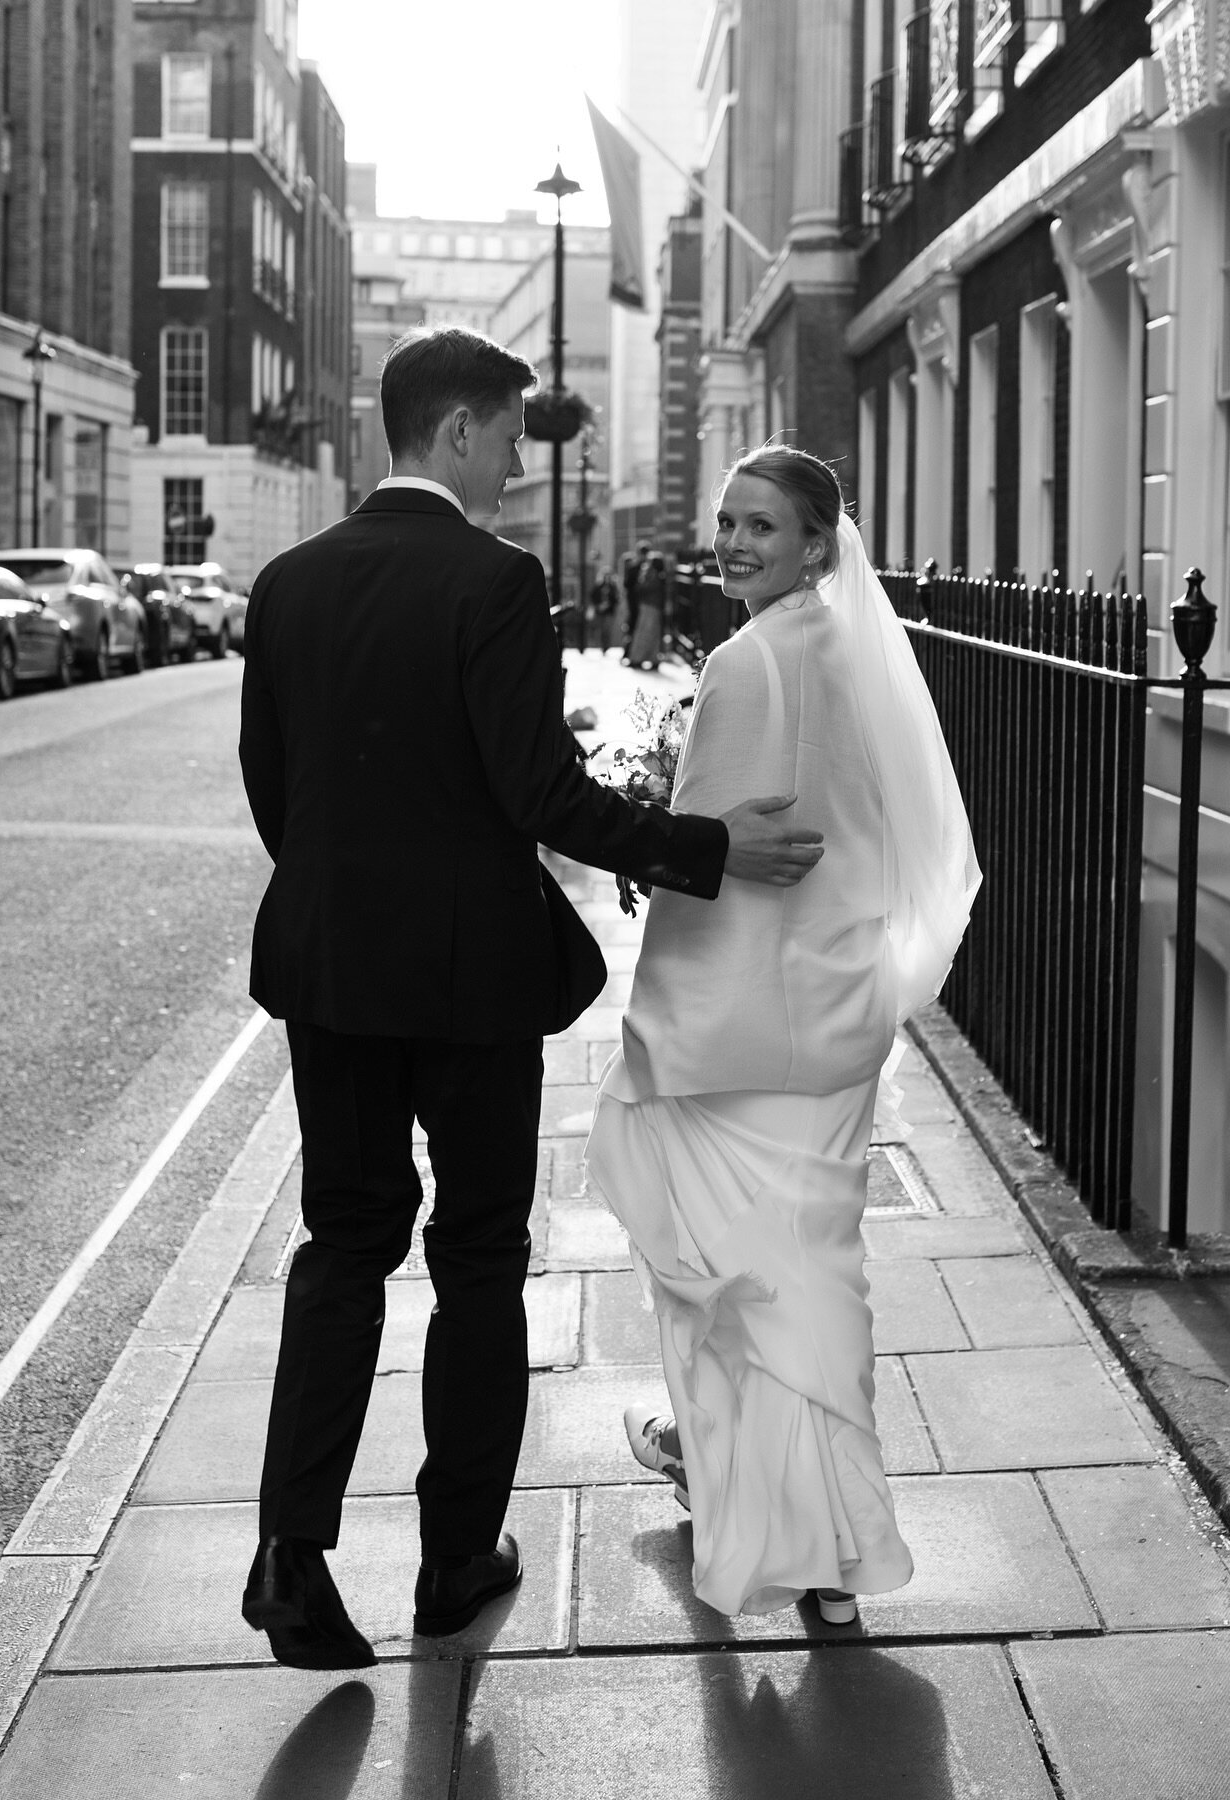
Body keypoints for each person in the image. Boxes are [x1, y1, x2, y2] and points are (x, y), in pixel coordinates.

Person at [236, 329, 829, 1670]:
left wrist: (351, 895)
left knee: (343, 1243)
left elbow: (276, 788)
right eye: (510, 436)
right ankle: (455, 1563)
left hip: (330, 969)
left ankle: (291, 1552)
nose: (520, 461)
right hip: (469, 982)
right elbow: (537, 796)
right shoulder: (495, 582)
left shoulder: (289, 581)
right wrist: (710, 850)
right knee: (479, 1255)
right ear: (457, 433)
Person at [585, 444, 980, 1623]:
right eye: (726, 522)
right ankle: (837, 1553)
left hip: (742, 1025)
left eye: (762, 526)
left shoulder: (746, 664)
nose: (735, 543)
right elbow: (880, 837)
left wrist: (657, 1014)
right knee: (816, 1274)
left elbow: (715, 860)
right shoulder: (868, 658)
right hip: (842, 1015)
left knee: (723, 1277)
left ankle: (748, 1497)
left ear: (818, 543)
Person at [625, 541, 666, 671]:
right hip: (652, 605)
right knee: (651, 632)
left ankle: (639, 658)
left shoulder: (651, 573)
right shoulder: (656, 574)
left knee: (644, 632)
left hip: (648, 605)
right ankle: (651, 658)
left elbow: (640, 588)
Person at [590, 564, 623, 653]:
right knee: (600, 630)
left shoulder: (613, 587)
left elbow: (616, 599)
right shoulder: (598, 586)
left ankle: (606, 646)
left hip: (609, 611)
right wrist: (599, 605)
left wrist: (609, 604)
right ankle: (601, 646)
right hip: (600, 611)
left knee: (607, 629)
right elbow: (593, 597)